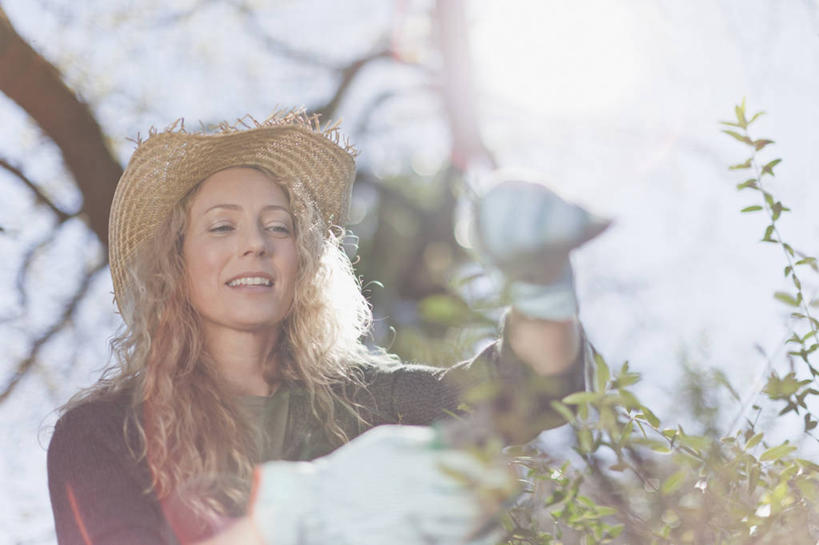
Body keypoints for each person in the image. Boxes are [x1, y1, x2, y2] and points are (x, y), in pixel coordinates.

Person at [46, 110, 603, 545]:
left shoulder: (366, 399)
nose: (255, 243)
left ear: (303, 266)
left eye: (278, 227)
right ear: (176, 263)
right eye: (221, 226)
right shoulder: (104, 432)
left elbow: (522, 394)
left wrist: (543, 286)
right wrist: (304, 518)